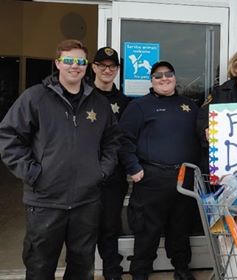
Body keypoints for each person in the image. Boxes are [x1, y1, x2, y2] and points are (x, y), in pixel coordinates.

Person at [0, 39, 120, 279]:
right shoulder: (35, 98)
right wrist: (33, 173)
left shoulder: (99, 103)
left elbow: (112, 142)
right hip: (46, 202)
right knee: (40, 267)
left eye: (79, 61)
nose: (74, 66)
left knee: (81, 267)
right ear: (57, 63)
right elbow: (8, 136)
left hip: (86, 202)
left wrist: (101, 171)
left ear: (86, 66)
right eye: (68, 60)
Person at [119, 61, 200, 280]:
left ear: (175, 77)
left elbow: (202, 137)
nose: (164, 78)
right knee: (147, 232)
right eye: (158, 76)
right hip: (151, 179)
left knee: (180, 229)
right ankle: (140, 273)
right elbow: (123, 140)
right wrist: (133, 168)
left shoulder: (189, 106)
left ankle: (182, 270)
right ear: (151, 80)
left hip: (184, 179)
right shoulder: (139, 107)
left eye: (169, 74)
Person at [92, 47, 130, 280]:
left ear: (117, 70)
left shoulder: (125, 102)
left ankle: (111, 272)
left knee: (110, 227)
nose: (107, 70)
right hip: (84, 175)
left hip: (114, 176)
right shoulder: (83, 96)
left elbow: (127, 140)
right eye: (102, 65)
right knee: (81, 229)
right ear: (94, 67)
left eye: (112, 66)